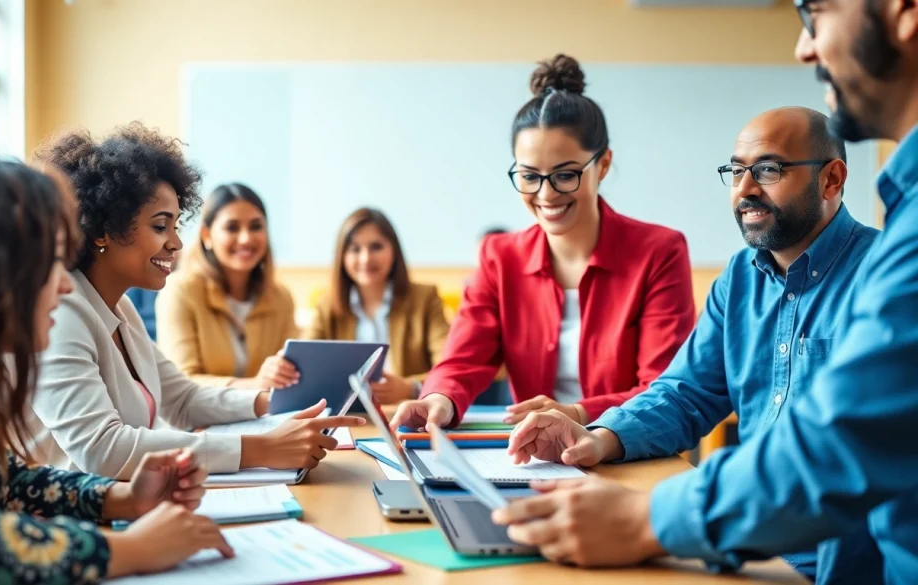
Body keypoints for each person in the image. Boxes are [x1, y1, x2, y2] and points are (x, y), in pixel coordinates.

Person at [490, 4, 918, 584]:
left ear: (833, 180)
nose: (744, 189)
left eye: (768, 169)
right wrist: (597, 439)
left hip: (840, 568)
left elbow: (840, 445)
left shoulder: (883, 265)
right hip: (749, 547)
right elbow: (686, 393)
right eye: (735, 170)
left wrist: (649, 519)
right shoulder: (739, 280)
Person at [0, 149, 234, 583]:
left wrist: (124, 499)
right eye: (47, 261)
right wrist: (128, 549)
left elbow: (6, 483)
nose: (62, 282)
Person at [29, 123, 363, 480]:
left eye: (175, 227)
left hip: (121, 505)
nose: (176, 243)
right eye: (160, 227)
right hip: (71, 520)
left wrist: (274, 403)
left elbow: (183, 400)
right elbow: (103, 449)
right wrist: (262, 448)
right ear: (102, 232)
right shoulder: (61, 314)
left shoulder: (120, 310)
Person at [391, 54, 697, 431]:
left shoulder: (658, 252)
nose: (546, 194)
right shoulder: (499, 256)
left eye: (565, 175)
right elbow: (462, 360)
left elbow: (662, 390)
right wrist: (439, 398)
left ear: (602, 165)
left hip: (629, 449)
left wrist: (577, 414)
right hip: (532, 457)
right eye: (529, 176)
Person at [156, 183, 300, 389]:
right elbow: (181, 384)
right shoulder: (180, 291)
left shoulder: (281, 298)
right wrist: (255, 385)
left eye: (256, 226)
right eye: (232, 227)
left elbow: (293, 375)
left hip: (265, 418)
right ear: (207, 235)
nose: (245, 238)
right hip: (198, 420)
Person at [306, 207, 450, 404]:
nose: (366, 258)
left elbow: (449, 368)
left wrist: (410, 388)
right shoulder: (327, 305)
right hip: (349, 417)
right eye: (355, 249)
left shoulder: (425, 299)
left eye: (376, 247)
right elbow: (306, 365)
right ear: (342, 256)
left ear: (394, 250)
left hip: (407, 416)